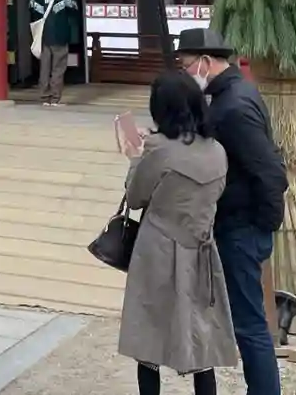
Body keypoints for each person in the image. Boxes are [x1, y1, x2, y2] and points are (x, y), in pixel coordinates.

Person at [176, 28, 288, 395]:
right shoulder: (230, 95)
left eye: (186, 65)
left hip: (243, 227)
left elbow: (269, 171)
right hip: (234, 223)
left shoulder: (235, 106)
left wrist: (263, 227)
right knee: (240, 320)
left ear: (206, 62)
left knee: (249, 325)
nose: (184, 73)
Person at [118, 69, 237, 395]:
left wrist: (135, 158)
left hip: (157, 249)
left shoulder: (159, 150)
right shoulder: (217, 150)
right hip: (201, 249)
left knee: (149, 338)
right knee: (201, 338)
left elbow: (135, 197)